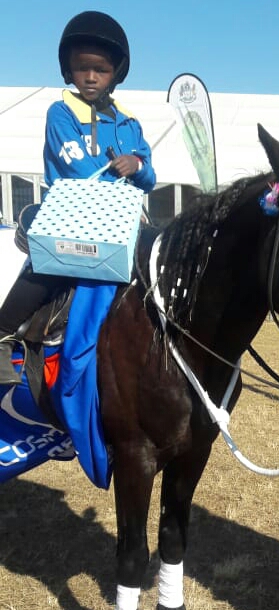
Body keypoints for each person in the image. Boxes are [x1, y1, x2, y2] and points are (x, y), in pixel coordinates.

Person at [0, 10, 156, 385]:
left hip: (124, 217)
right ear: (69, 70)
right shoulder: (60, 113)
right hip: (74, 214)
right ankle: (2, 335)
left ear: (114, 74)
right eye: (82, 68)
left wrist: (136, 164)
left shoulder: (129, 121)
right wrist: (119, 190)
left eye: (100, 70)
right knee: (48, 265)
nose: (90, 76)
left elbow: (150, 176)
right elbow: (79, 168)